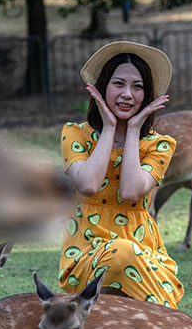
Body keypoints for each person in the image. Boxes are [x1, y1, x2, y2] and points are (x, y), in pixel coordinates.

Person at [58, 41, 184, 309]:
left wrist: (134, 131)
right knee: (121, 251)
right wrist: (109, 128)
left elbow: (130, 191)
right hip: (86, 250)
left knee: (126, 251)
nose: (127, 94)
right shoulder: (75, 134)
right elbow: (89, 184)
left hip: (143, 253)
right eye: (118, 84)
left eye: (137, 87)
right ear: (102, 88)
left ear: (147, 95)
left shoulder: (160, 145)